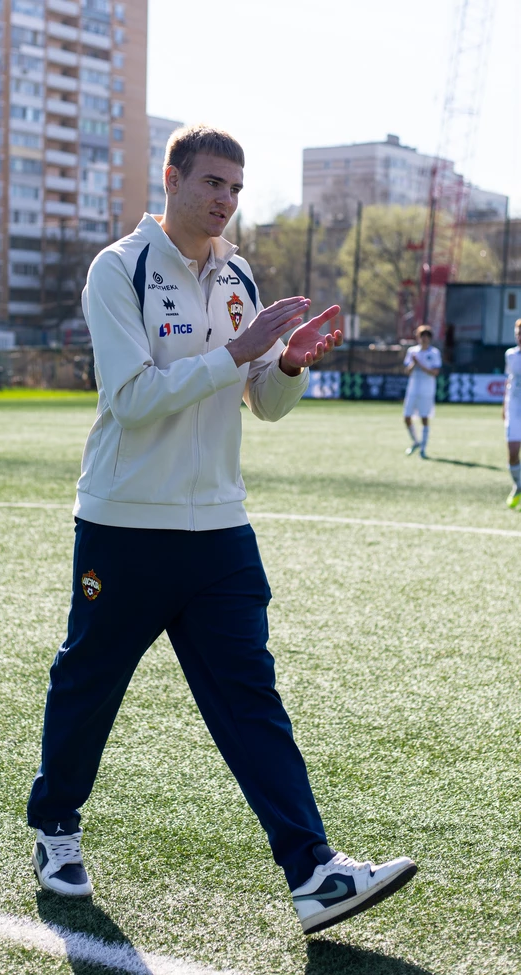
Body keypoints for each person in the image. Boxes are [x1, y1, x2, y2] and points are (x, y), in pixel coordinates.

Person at [27, 125, 416, 936]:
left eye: (236, 188)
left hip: (221, 531)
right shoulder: (119, 268)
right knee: (89, 682)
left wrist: (288, 364)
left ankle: (313, 871)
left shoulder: (237, 274)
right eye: (212, 182)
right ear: (171, 178)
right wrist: (239, 349)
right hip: (126, 524)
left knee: (250, 698)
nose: (225, 200)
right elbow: (132, 398)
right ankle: (55, 825)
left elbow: (262, 404)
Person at [402, 325, 442, 458]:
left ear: (430, 338)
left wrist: (420, 364)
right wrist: (414, 364)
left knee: (424, 418)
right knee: (406, 417)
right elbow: (407, 371)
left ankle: (423, 449)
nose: (424, 339)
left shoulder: (434, 353)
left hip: (427, 390)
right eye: (422, 336)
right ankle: (416, 441)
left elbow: (434, 372)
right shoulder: (412, 351)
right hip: (413, 388)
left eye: (426, 336)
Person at [503, 318, 521, 508]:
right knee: (513, 452)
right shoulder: (510, 355)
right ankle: (518, 485)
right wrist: (504, 407)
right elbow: (509, 380)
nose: (520, 337)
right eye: (518, 334)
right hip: (514, 408)